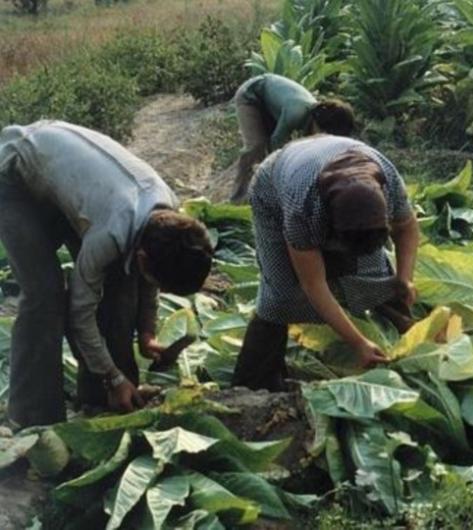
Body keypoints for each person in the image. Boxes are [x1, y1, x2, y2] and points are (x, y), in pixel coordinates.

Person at [0, 120, 214, 428]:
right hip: (16, 177)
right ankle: (34, 420)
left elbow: (149, 275)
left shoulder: (166, 215)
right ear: (142, 258)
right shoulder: (110, 235)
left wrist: (147, 332)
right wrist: (112, 377)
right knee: (45, 296)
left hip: (70, 185)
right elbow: (81, 311)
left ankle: (104, 398)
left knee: (121, 284)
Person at [232, 135, 419, 391]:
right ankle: (254, 382)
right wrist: (358, 343)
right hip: (274, 188)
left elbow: (407, 227)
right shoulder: (302, 208)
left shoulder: (387, 183)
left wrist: (404, 278)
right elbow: (313, 284)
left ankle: (410, 350)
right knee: (282, 294)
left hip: (328, 171)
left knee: (375, 277)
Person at [229, 73, 356, 203]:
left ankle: (262, 194)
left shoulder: (311, 116)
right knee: (257, 146)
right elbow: (276, 145)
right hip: (251, 95)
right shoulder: (296, 113)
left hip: (271, 104)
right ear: (319, 124)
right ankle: (237, 197)